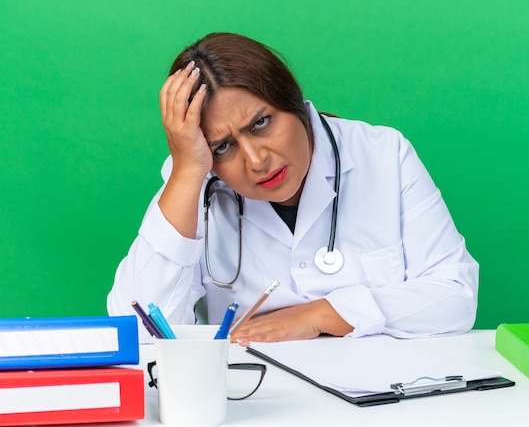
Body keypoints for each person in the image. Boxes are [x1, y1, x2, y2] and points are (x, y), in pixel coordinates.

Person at [107, 32, 479, 344]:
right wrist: (188, 172)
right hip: (253, 399)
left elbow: (456, 297)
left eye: (261, 122)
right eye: (223, 146)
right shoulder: (196, 184)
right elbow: (140, 330)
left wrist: (322, 314)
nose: (255, 160)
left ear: (294, 101)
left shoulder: (383, 154)